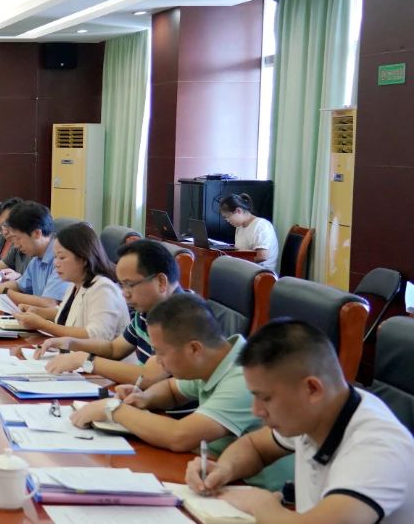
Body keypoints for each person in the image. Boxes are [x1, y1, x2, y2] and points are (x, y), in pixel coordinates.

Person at [185, 320, 413, 523]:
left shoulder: (377, 451)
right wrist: (223, 470)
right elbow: (254, 447)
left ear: (312, 389)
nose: (256, 411)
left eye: (266, 398)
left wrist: (261, 505)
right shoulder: (321, 410)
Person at [72, 294, 292, 491]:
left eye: (161, 353)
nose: (157, 361)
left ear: (194, 349)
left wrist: (113, 409)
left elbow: (179, 436)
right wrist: (145, 397)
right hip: (219, 475)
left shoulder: (242, 377)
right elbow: (171, 389)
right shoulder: (212, 359)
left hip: (257, 491)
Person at [35, 239, 182, 386]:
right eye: (122, 285)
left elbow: (149, 377)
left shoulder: (180, 317)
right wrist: (70, 342)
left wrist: (85, 360)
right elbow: (114, 349)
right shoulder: (148, 309)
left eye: (130, 285)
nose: (124, 294)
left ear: (161, 282)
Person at [12, 223, 129, 340]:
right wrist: (37, 311)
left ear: (83, 258)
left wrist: (43, 325)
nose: (56, 263)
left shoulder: (103, 289)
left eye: (62, 257)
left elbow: (96, 335)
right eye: (55, 257)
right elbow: (67, 312)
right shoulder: (75, 284)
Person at [0, 201, 71, 308]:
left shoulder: (62, 259)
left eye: (18, 238)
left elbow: (49, 303)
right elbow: (19, 285)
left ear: (36, 233)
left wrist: (0, 292)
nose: (16, 245)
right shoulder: (36, 259)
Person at [219, 193, 280, 272]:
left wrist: (237, 262)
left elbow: (262, 256)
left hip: (260, 272)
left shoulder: (261, 225)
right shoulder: (239, 227)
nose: (227, 220)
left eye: (228, 217)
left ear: (238, 211)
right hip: (246, 269)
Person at [0, 198, 28, 278]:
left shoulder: (39, 252)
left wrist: (19, 278)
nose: (4, 232)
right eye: (0, 229)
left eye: (6, 225)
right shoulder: (17, 247)